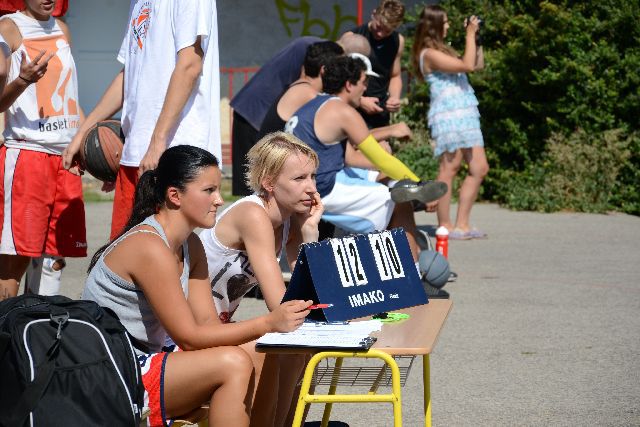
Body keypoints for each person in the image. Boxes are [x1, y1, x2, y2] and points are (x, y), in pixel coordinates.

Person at [82, 145, 311, 426]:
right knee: (234, 362)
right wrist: (268, 323)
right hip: (112, 372)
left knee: (268, 350)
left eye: (218, 190)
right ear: (175, 196)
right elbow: (189, 338)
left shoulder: (191, 244)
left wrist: (267, 330)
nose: (219, 200)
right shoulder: (149, 246)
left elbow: (207, 324)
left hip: (149, 359)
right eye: (209, 191)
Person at [287, 55, 449, 298]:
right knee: (399, 200)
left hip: (302, 184)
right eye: (363, 82)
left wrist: (390, 176)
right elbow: (381, 158)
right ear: (349, 84)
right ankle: (412, 282)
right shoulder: (342, 111)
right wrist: (420, 187)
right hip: (320, 189)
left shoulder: (316, 106)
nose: (365, 88)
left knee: (387, 181)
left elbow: (351, 158)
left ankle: (401, 201)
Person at [63, 0, 221, 240]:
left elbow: (190, 65)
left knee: (158, 253)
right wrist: (83, 133)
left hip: (169, 153)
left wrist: (157, 143)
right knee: (123, 251)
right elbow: (129, 74)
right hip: (137, 154)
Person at [199, 132, 322, 426]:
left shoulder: (291, 219)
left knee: (306, 349)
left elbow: (311, 293)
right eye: (299, 178)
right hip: (188, 333)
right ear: (269, 183)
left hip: (217, 328)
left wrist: (310, 233)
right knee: (282, 347)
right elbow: (279, 305)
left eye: (313, 177)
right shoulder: (252, 214)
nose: (311, 188)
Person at [0, 0, 85, 300]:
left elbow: (71, 95)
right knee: (14, 262)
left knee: (54, 260)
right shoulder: (9, 27)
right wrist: (22, 80)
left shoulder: (61, 29)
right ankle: (7, 328)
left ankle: (40, 326)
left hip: (65, 158)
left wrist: (85, 138)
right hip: (28, 154)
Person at [412, 5, 489, 239]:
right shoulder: (428, 53)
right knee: (450, 168)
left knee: (479, 168)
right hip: (449, 115)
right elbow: (466, 65)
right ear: (434, 25)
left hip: (466, 113)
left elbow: (476, 64)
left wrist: (476, 39)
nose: (448, 25)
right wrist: (469, 35)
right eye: (444, 22)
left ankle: (462, 224)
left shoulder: (444, 50)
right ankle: (444, 224)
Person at [345, 0, 406, 128]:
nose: (380, 34)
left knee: (381, 142)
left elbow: (395, 75)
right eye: (379, 26)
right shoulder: (351, 38)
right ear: (373, 14)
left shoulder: (398, 41)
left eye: (387, 31)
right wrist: (360, 101)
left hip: (379, 113)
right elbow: (336, 78)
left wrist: (394, 98)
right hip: (352, 110)